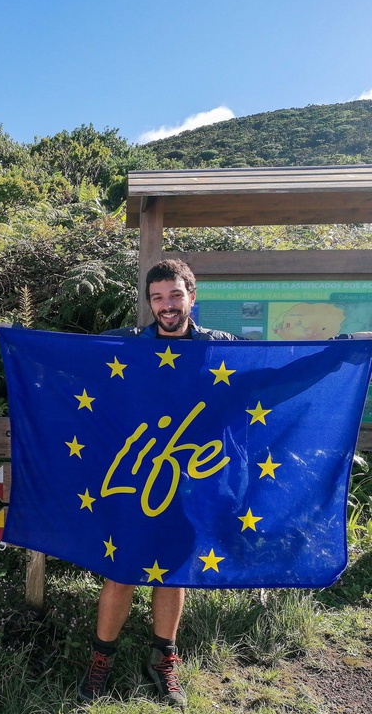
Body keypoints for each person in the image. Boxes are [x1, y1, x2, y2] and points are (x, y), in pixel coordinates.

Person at [77, 258, 238, 709]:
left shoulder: (219, 346)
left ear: (192, 294)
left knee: (172, 572)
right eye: (157, 298)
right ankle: (100, 660)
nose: (166, 306)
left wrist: (343, 348)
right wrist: (7, 347)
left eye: (174, 295)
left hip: (190, 481)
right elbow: (68, 358)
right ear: (149, 302)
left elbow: (271, 368)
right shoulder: (128, 345)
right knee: (122, 571)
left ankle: (163, 660)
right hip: (135, 479)